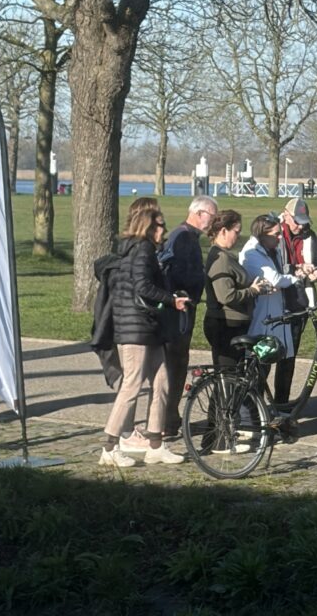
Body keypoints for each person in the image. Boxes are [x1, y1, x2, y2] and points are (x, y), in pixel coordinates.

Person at [101, 197, 190, 467]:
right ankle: (110, 447)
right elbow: (142, 287)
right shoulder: (142, 249)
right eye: (160, 225)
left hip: (148, 327)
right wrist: (171, 299)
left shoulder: (139, 250)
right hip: (135, 328)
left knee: (162, 381)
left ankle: (155, 444)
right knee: (132, 384)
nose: (164, 230)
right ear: (148, 227)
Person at [240, 213, 317, 406]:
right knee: (259, 369)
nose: (279, 238)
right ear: (261, 234)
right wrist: (296, 278)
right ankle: (248, 416)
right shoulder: (252, 252)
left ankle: (275, 407)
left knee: (276, 361)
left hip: (276, 315)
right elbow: (275, 279)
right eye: (275, 235)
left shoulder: (271, 250)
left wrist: (297, 269)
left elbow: (280, 275)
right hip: (261, 319)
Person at [159, 194, 218, 438]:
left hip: (183, 310)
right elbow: (175, 273)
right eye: (212, 217)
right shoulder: (182, 237)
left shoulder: (189, 237)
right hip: (177, 313)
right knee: (174, 365)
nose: (213, 223)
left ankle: (170, 417)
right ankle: (166, 420)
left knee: (178, 363)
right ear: (198, 213)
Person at [203, 209, 268, 370]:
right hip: (226, 325)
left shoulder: (226, 256)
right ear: (223, 231)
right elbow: (226, 296)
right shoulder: (221, 259)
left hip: (234, 324)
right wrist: (253, 290)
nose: (238, 236)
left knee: (232, 377)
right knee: (229, 376)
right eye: (236, 232)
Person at [278, 198, 317, 363]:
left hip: (299, 301)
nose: (301, 226)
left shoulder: (310, 236)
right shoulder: (274, 233)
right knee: (267, 355)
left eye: (304, 222)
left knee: (290, 355)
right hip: (275, 300)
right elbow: (271, 267)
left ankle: (284, 390)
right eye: (297, 222)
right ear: (286, 215)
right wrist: (297, 268)